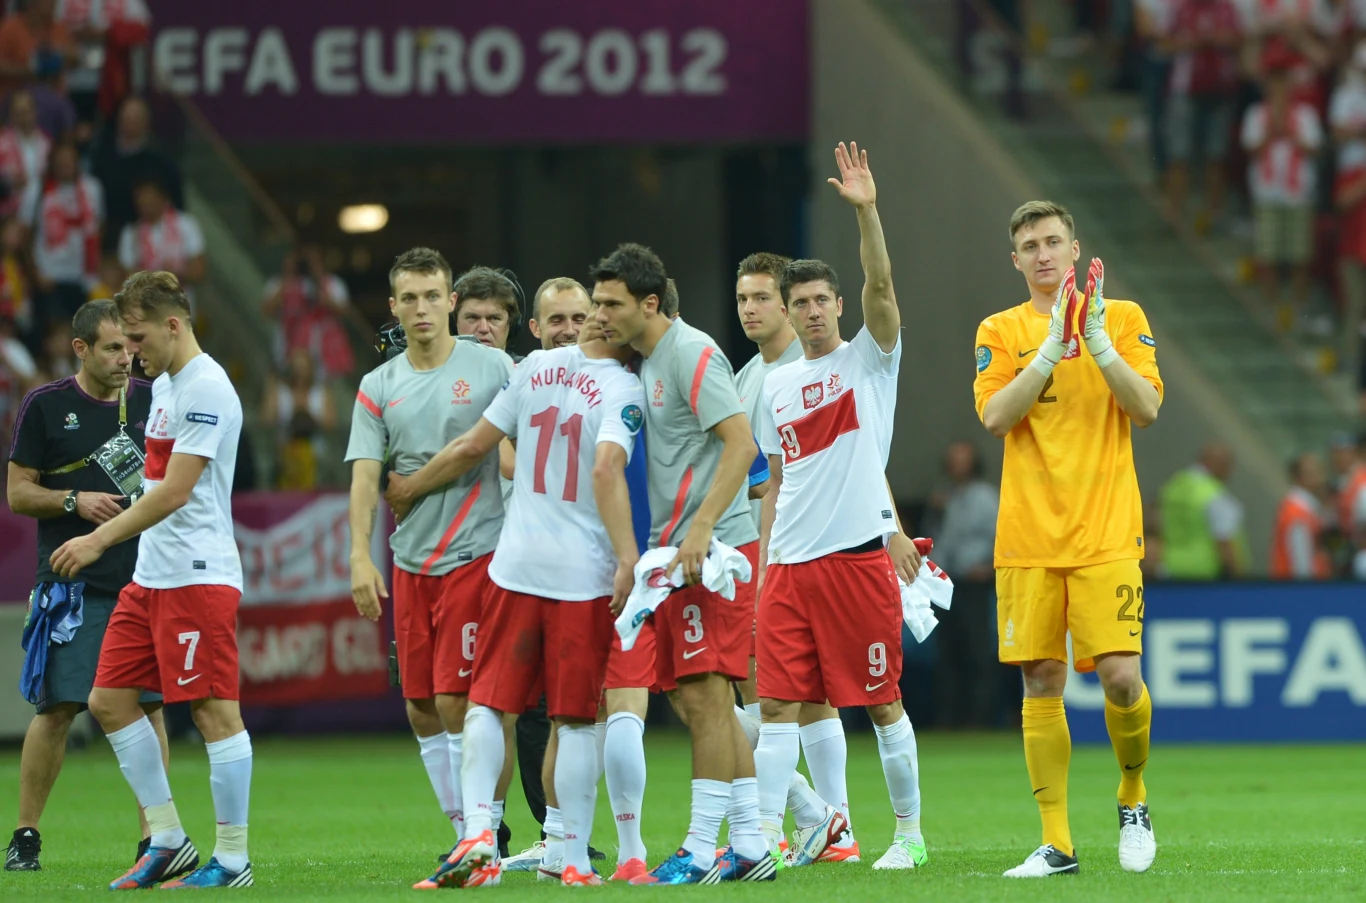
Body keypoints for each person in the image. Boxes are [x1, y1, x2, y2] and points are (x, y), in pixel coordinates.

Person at [390, 297, 645, 890]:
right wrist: (627, 556)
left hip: (514, 565)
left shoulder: (530, 369)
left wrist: (409, 488)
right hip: (582, 574)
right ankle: (574, 857)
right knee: (576, 719)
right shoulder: (623, 389)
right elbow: (607, 468)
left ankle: (478, 835)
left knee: (488, 703)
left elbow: (471, 448)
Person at [974, 200, 1162, 877]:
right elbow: (996, 415)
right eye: (1030, 244)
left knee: (1119, 679)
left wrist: (1099, 342)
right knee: (1041, 679)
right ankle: (1058, 841)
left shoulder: (1126, 316)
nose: (1043, 253)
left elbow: (1146, 407)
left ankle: (1133, 795)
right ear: (1016, 259)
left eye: (1054, 240)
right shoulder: (1000, 329)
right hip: (1027, 537)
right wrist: (1051, 348)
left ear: (1075, 250)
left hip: (1107, 531)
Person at [752, 143, 926, 873]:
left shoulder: (869, 358)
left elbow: (881, 284)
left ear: (836, 305)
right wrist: (764, 564)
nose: (814, 311)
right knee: (776, 709)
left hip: (856, 560)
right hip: (791, 564)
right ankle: (760, 839)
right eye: (802, 304)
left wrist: (867, 212)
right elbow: (779, 478)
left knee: (881, 702)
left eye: (823, 300)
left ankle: (910, 834)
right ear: (789, 314)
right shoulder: (776, 388)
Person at [49, 270, 252, 888]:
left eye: (137, 337)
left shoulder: (206, 387)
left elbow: (177, 494)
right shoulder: (164, 382)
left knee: (214, 713)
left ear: (173, 324)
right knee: (107, 700)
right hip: (154, 572)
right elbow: (157, 481)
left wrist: (96, 538)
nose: (131, 352)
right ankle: (167, 838)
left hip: (197, 573)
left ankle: (234, 859)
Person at [592, 242, 771, 883]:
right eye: (597, 302)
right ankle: (750, 844)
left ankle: (700, 848)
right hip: (681, 553)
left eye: (611, 304)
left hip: (711, 550)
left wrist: (699, 529)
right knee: (703, 702)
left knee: (702, 696)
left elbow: (742, 444)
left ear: (648, 302)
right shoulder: (645, 359)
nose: (601, 314)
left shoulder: (691, 352)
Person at [344, 248, 513, 863]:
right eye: (409, 298)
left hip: (477, 554)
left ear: (450, 302)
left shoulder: (494, 366)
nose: (421, 308)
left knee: (458, 699)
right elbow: (365, 477)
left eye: (431, 296)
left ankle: (483, 833)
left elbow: (532, 435)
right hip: (410, 563)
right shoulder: (378, 386)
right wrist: (361, 559)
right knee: (419, 705)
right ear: (393, 306)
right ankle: (465, 830)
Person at [5, 298, 161, 872]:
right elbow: (18, 492)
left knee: (149, 706)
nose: (128, 358)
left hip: (142, 577)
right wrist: (73, 499)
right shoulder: (45, 406)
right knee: (58, 707)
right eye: (114, 348)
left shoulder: (152, 400)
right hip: (71, 581)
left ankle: (156, 836)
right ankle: (25, 836)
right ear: (81, 349)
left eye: (131, 347)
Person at [734, 250, 860, 862]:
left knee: (778, 696)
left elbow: (777, 481)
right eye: (742, 299)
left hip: (788, 551)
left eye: (761, 298)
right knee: (775, 695)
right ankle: (823, 822)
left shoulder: (811, 369)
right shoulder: (748, 376)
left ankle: (818, 823)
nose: (751, 310)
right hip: (761, 549)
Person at [1241, 62, 1323, 330]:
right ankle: (1271, 307)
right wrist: (1270, 132)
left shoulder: (1305, 115)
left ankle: (1297, 309)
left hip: (1298, 195)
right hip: (1267, 193)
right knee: (1267, 254)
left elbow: (1314, 149)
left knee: (1299, 254)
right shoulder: (1256, 114)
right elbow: (1250, 150)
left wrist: (1288, 132)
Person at [927, 440, 1000, 728]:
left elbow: (999, 533)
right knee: (947, 652)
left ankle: (983, 717)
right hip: (946, 582)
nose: (957, 464)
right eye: (953, 458)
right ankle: (949, 716)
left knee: (978, 651)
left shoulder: (984, 496)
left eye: (963, 458)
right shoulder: (943, 497)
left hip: (973, 582)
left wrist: (989, 567)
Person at [91, 97, 183, 253]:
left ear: (146, 122)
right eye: (126, 118)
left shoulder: (160, 162)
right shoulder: (101, 156)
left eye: (135, 119)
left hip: (147, 239)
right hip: (109, 238)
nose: (130, 123)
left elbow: (177, 203)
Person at [34, 141, 102, 332]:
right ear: (53, 163)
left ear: (78, 162)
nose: (65, 165)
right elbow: (26, 235)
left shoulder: (93, 189)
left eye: (69, 160)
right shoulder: (39, 192)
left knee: (85, 333)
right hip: (50, 275)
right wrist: (35, 272)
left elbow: (99, 227)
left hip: (84, 276)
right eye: (60, 161)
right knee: (57, 334)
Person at [1159, 442, 1247, 579]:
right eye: (1227, 464)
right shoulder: (1214, 495)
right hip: (1204, 575)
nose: (1230, 471)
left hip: (1170, 567)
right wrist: (1238, 578)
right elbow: (1224, 541)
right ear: (1215, 463)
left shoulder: (1174, 485)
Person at [259, 346, 336, 490]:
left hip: (315, 454)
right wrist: (269, 387)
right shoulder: (280, 392)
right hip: (285, 452)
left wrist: (307, 413)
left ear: (311, 369)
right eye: (296, 367)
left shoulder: (320, 393)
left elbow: (331, 423)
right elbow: (266, 420)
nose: (300, 372)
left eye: (304, 367)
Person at [116, 177, 205, 292]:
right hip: (146, 304)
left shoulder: (186, 224)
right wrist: (156, 277)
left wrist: (175, 274)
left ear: (163, 198)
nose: (146, 206)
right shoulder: (131, 232)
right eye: (141, 202)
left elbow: (199, 272)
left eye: (150, 200)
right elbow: (127, 278)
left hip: (181, 303)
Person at [1269, 451, 1331, 578]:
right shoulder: (1296, 514)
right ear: (1297, 477)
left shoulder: (1306, 508)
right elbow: (1301, 563)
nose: (1319, 478)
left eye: (1319, 471)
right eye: (1311, 473)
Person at [0, 90, 51, 226]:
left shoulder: (47, 144)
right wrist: (7, 184)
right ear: (11, 115)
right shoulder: (2, 144)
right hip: (8, 221)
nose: (23, 116)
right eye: (18, 112)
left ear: (35, 111)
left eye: (26, 110)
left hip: (42, 220)